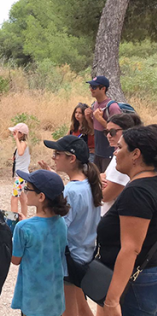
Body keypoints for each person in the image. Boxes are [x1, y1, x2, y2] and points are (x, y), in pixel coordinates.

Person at [96, 125, 157, 316]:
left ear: (136, 154)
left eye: (120, 148)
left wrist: (112, 300)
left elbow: (131, 248)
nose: (115, 153)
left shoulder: (137, 192)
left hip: (136, 282)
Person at [42, 135, 102, 316]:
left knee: (67, 311)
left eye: (57, 153)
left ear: (72, 158)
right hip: (83, 257)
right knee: (82, 308)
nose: (54, 157)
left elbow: (60, 229)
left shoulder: (71, 190)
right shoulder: (90, 184)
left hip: (68, 262)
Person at [11, 169, 69, 316]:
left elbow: (15, 260)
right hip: (54, 298)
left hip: (33, 301)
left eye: (27, 188)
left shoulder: (23, 228)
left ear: (41, 196)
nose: (24, 192)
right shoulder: (61, 222)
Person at [100, 113, 142, 216]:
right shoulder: (117, 154)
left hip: (112, 217)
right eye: (106, 132)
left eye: (113, 132)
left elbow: (105, 196)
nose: (109, 136)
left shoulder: (125, 158)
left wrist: (94, 183)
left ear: (127, 131)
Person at [84, 76, 122, 173]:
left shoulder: (112, 107)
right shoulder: (95, 104)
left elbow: (118, 131)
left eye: (94, 87)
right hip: (98, 151)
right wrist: (89, 118)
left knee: (107, 181)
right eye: (90, 87)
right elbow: (94, 129)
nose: (91, 89)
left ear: (103, 88)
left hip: (110, 152)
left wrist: (100, 119)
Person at [9, 122, 30, 217]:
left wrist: (16, 139)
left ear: (21, 134)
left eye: (16, 132)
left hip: (21, 176)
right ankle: (24, 217)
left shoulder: (23, 143)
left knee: (14, 198)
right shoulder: (22, 144)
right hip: (24, 174)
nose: (14, 134)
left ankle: (13, 219)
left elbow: (21, 152)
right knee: (23, 198)